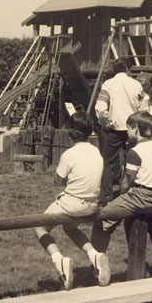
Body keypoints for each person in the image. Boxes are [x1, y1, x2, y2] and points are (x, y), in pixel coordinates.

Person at [91, 111, 152, 278]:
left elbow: (127, 183)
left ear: (136, 129)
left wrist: (118, 198)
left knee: (102, 218)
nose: (127, 132)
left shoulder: (136, 152)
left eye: (128, 129)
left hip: (139, 196)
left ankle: (96, 263)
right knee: (147, 226)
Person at [33, 112, 109, 290]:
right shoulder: (96, 150)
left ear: (70, 132)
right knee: (70, 228)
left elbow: (57, 180)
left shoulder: (69, 154)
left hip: (73, 203)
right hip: (91, 204)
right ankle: (94, 255)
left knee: (39, 226)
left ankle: (60, 261)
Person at [95, 58, 142, 205]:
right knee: (133, 161)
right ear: (128, 69)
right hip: (133, 129)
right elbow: (142, 108)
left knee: (107, 162)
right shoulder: (137, 84)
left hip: (115, 129)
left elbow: (100, 107)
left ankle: (106, 198)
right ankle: (131, 193)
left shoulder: (108, 84)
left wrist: (107, 123)